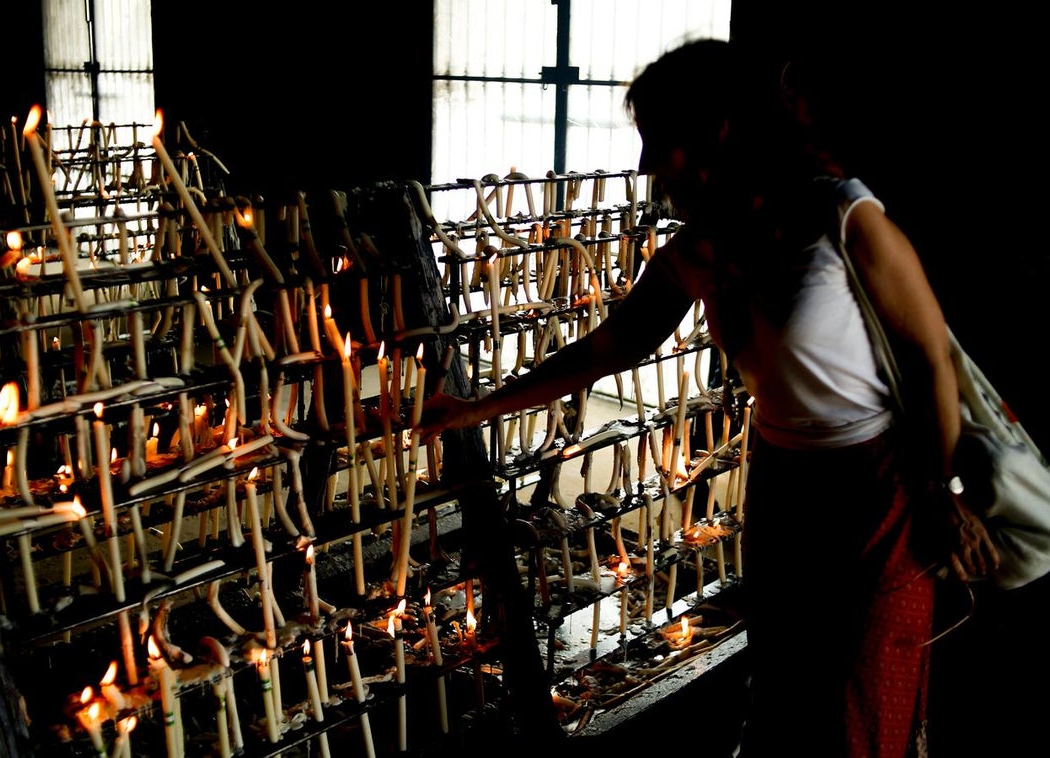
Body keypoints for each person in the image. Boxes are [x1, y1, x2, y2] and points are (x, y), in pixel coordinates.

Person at [417, 38, 1000, 757]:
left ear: (719, 131)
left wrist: (940, 490)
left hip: (876, 488)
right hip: (782, 486)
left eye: (658, 142)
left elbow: (930, 358)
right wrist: (475, 409)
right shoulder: (703, 250)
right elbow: (607, 349)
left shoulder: (843, 218)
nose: (645, 165)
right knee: (785, 688)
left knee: (861, 703)